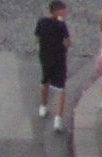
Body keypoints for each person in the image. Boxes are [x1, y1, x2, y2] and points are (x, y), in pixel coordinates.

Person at [36, 1, 73, 131]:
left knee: (44, 80)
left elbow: (37, 39)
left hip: (45, 57)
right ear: (57, 10)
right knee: (60, 88)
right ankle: (58, 119)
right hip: (59, 59)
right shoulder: (61, 25)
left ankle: (43, 106)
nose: (65, 12)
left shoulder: (41, 22)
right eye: (63, 10)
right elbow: (67, 43)